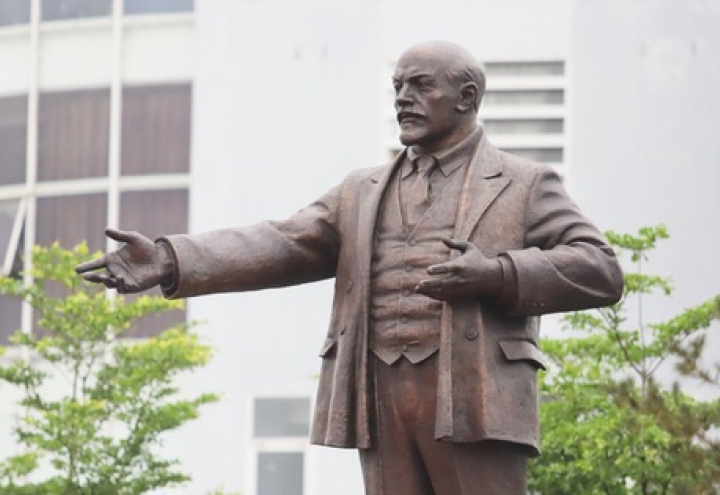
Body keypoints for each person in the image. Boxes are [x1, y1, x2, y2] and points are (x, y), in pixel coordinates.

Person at [76, 40, 623, 495]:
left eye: (420, 86)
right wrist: (172, 258)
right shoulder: (361, 190)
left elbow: (599, 268)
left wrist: (499, 274)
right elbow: (282, 242)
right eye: (397, 88)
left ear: (467, 97)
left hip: (475, 398)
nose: (403, 99)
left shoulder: (524, 184)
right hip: (378, 392)